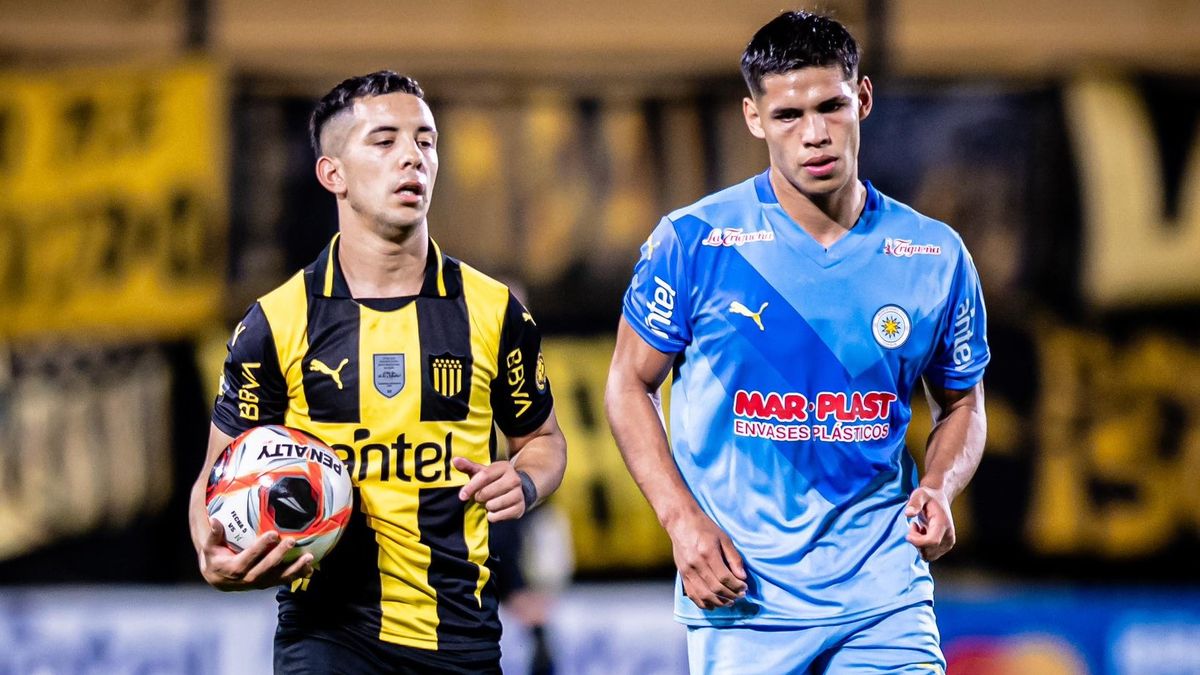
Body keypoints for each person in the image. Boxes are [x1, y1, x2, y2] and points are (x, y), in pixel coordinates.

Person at [605, 11, 988, 674]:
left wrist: (939, 485)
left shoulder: (933, 254)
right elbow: (626, 383)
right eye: (787, 115)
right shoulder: (693, 242)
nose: (814, 134)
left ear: (862, 98)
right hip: (743, 598)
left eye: (830, 106)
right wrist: (681, 521)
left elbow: (963, 403)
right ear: (753, 117)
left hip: (884, 595)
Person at [188, 71, 568, 675]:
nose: (412, 157)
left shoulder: (495, 312)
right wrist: (210, 552)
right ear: (332, 174)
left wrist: (524, 481)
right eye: (385, 141)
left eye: (426, 141)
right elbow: (219, 470)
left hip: (461, 636)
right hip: (326, 635)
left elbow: (543, 441)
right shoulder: (276, 322)